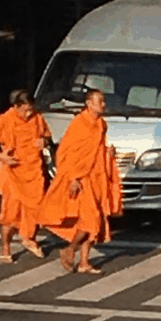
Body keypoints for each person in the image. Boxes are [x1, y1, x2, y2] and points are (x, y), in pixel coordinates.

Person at [39, 89, 121, 275]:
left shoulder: (101, 124)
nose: (103, 104)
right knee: (91, 221)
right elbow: (65, 153)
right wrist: (73, 178)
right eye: (100, 101)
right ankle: (70, 249)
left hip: (96, 178)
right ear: (89, 103)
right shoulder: (79, 124)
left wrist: (108, 153)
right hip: (81, 178)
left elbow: (97, 149)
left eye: (104, 101)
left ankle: (84, 262)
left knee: (94, 220)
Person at [0, 90, 50, 263]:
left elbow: (46, 135)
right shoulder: (5, 120)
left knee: (35, 208)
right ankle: (6, 248)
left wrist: (44, 142)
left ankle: (28, 237)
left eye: (30, 110)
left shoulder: (37, 118)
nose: (27, 114)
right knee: (9, 214)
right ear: (15, 107)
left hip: (33, 171)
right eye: (24, 110)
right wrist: (0, 156)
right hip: (12, 173)